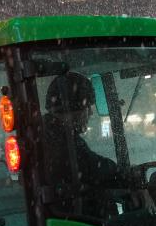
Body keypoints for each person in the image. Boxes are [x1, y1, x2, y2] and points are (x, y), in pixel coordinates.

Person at [42, 71, 127, 215]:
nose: (91, 113)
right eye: (88, 106)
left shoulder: (48, 133)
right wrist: (125, 175)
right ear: (74, 108)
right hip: (80, 220)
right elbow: (93, 167)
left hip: (68, 216)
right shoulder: (63, 140)